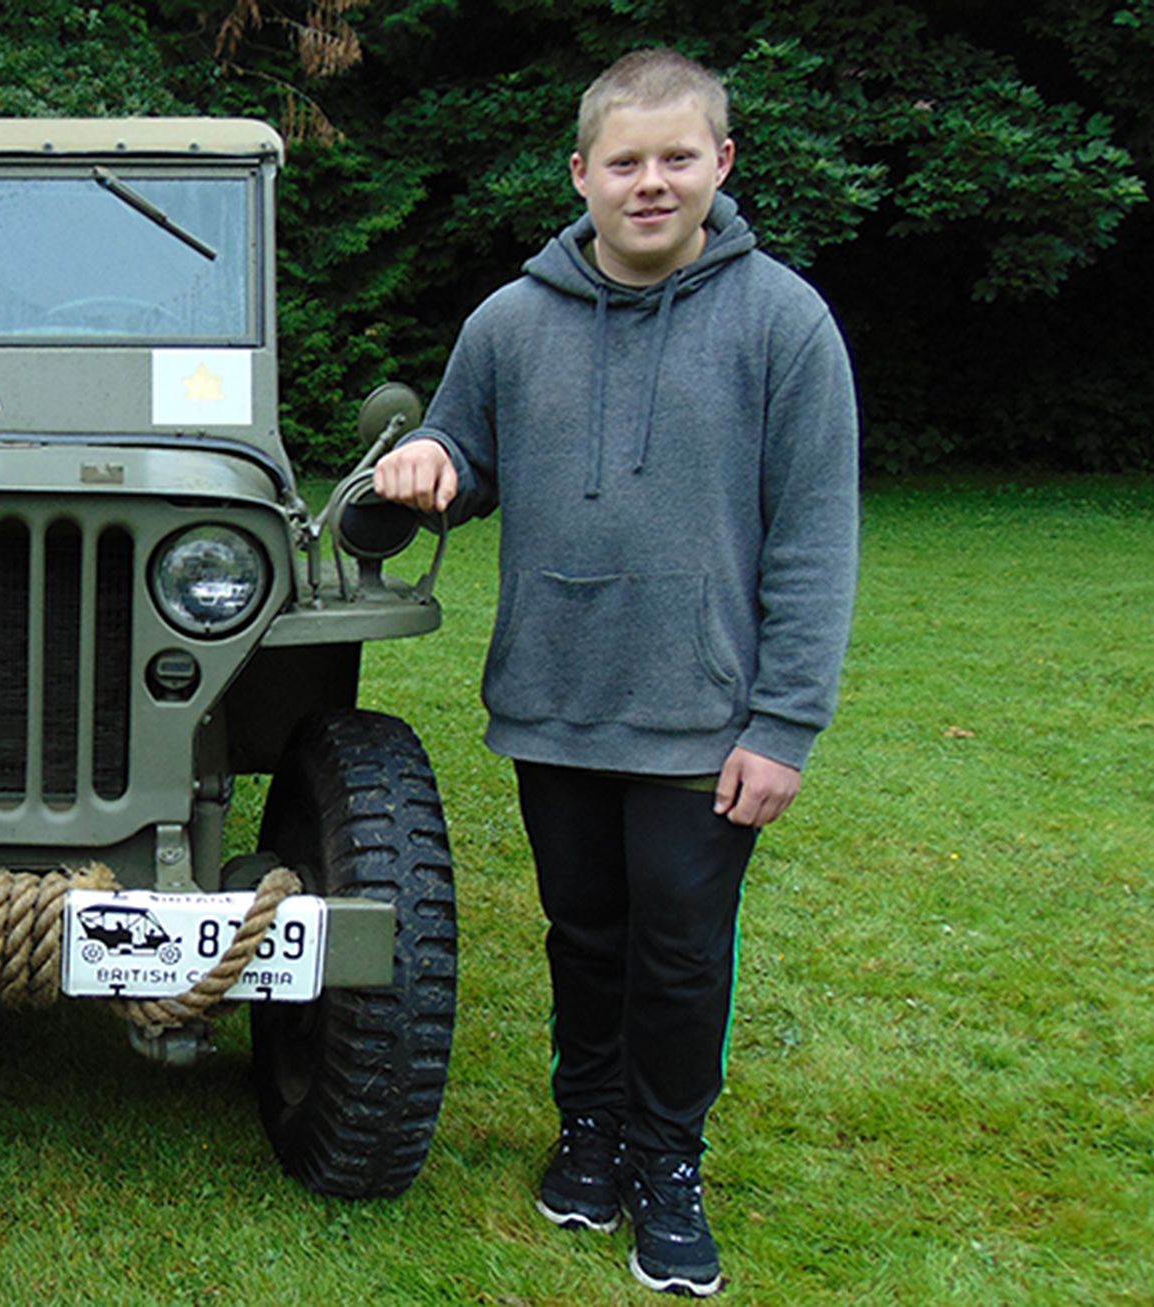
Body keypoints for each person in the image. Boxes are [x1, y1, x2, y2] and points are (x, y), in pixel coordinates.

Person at [373, 48, 858, 1297]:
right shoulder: (507, 321)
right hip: (552, 694)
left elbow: (811, 538)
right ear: (582, 172)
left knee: (680, 946)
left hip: (701, 712)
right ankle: (586, 1129)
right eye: (626, 161)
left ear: (720, 165)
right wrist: (425, 455)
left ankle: (668, 1157)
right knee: (583, 934)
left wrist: (784, 723)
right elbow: (460, 455)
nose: (651, 183)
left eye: (676, 158)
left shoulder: (783, 323)